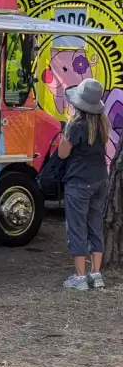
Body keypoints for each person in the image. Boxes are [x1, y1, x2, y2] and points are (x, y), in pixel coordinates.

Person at [57, 78, 110, 291]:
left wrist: (64, 135)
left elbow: (62, 154)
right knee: (95, 225)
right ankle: (96, 274)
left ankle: (79, 277)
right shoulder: (102, 124)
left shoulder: (75, 125)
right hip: (100, 180)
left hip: (79, 182)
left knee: (77, 228)